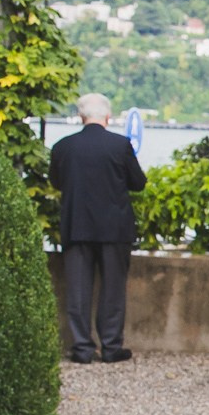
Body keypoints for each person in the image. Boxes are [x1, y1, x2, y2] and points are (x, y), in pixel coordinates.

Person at [49, 92, 147, 363]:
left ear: (81, 116)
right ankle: (111, 346)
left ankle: (82, 348)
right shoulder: (120, 145)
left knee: (78, 291)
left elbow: (56, 182)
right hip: (114, 229)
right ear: (107, 115)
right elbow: (138, 182)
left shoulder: (62, 147)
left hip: (76, 226)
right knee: (113, 290)